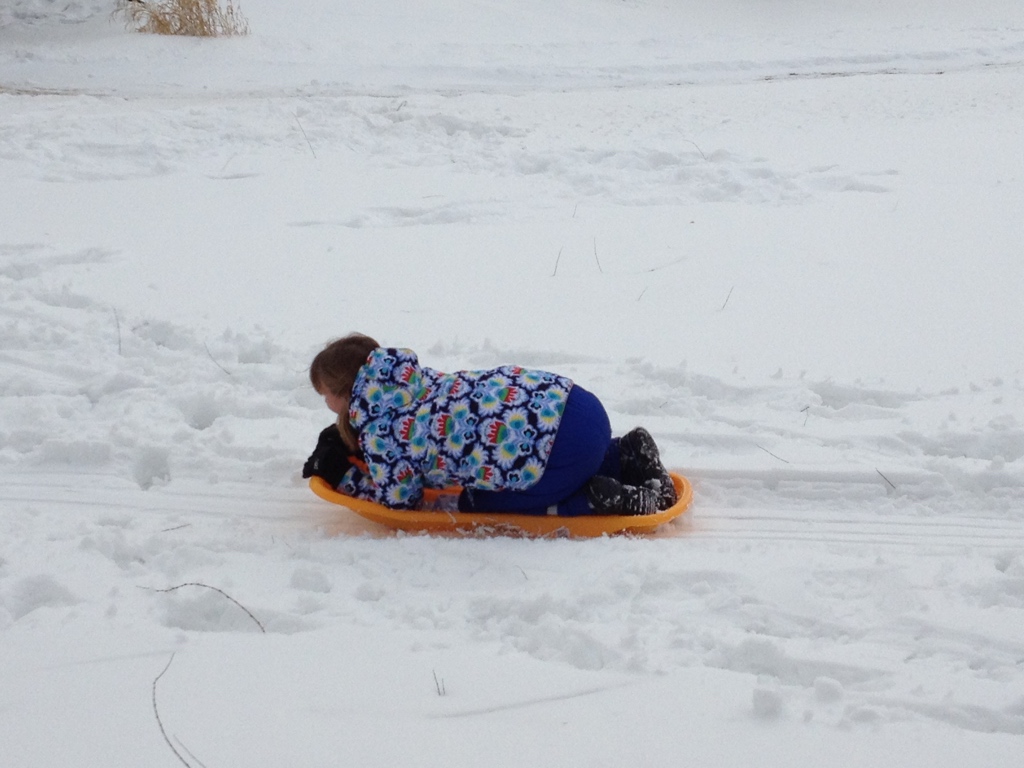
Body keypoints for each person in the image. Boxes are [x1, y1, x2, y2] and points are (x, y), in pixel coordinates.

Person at [302, 333, 677, 516]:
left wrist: (344, 477)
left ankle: (606, 500)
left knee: (480, 501)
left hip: (562, 451)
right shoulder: (415, 381)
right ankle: (623, 452)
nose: (325, 403)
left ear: (345, 392)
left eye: (324, 395)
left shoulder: (382, 433)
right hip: (579, 407)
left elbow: (398, 503)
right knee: (531, 450)